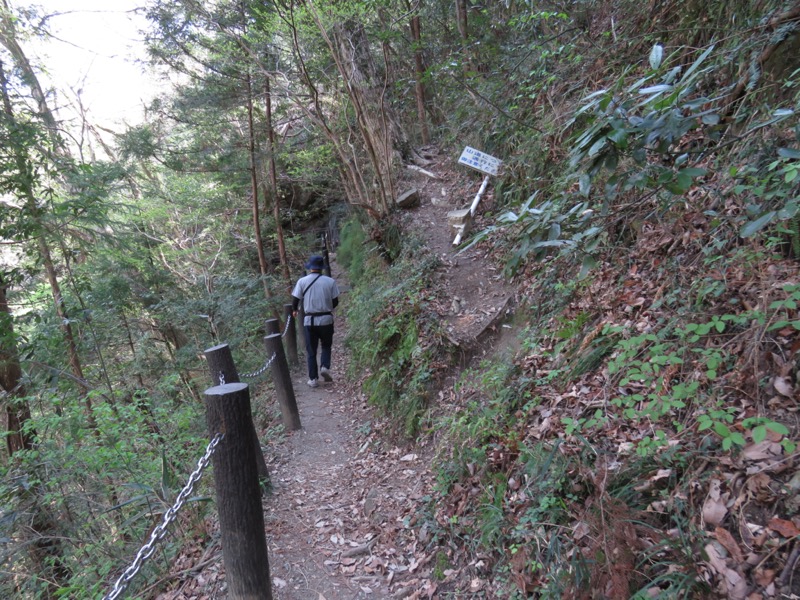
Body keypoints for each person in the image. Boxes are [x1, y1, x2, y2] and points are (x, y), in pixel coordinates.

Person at [291, 254, 340, 388]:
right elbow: (335, 301)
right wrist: (326, 308)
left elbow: (295, 300)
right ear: (322, 268)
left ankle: (313, 379)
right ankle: (324, 366)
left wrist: (295, 310)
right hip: (326, 319)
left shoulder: (302, 281)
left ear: (310, 267)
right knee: (325, 345)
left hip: (309, 321)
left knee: (311, 351)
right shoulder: (330, 281)